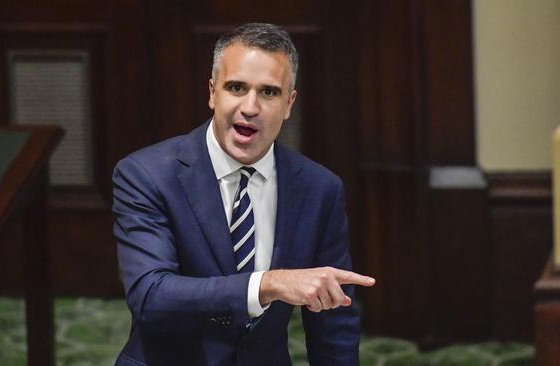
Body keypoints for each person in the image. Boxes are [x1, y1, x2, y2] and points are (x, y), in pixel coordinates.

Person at [112, 22, 375, 366]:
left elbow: (333, 322)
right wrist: (269, 284)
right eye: (236, 87)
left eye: (268, 92)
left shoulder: (319, 188)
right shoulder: (146, 175)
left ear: (288, 103)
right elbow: (151, 296)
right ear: (212, 92)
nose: (250, 107)